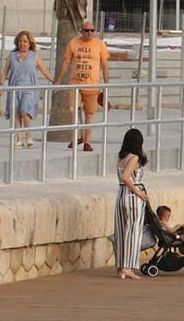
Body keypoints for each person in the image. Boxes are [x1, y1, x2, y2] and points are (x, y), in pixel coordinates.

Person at [56, 18, 111, 150]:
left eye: (92, 30)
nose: (89, 33)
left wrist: (106, 83)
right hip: (75, 83)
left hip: (92, 85)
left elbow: (104, 64)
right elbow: (66, 61)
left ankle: (87, 141)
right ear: (81, 31)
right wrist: (58, 79)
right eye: (86, 30)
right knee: (71, 108)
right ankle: (78, 135)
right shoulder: (73, 43)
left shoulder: (99, 44)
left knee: (89, 114)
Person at [1, 30, 51, 147]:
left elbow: (44, 70)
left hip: (29, 89)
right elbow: (5, 70)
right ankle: (19, 138)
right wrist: (1, 84)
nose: (22, 44)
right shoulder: (12, 55)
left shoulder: (35, 56)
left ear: (30, 43)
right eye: (20, 41)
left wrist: (55, 81)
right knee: (16, 113)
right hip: (14, 88)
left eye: (25, 41)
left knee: (24, 111)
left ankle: (28, 135)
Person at [113, 127, 150, 278]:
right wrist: (139, 192)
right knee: (133, 233)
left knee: (121, 232)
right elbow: (126, 177)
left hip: (121, 195)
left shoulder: (122, 157)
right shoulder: (134, 157)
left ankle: (121, 266)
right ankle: (128, 267)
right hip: (132, 196)